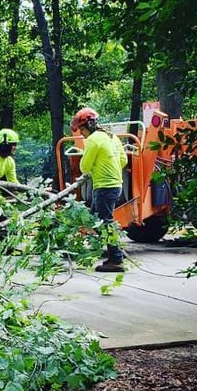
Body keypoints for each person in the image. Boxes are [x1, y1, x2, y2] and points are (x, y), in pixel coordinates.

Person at [71, 107, 128, 272]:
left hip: (104, 186)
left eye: (81, 129)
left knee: (104, 221)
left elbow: (84, 166)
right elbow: (123, 160)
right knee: (95, 218)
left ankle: (116, 259)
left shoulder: (94, 139)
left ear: (88, 125)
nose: (81, 133)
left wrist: (96, 166)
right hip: (116, 185)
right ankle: (115, 249)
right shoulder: (112, 136)